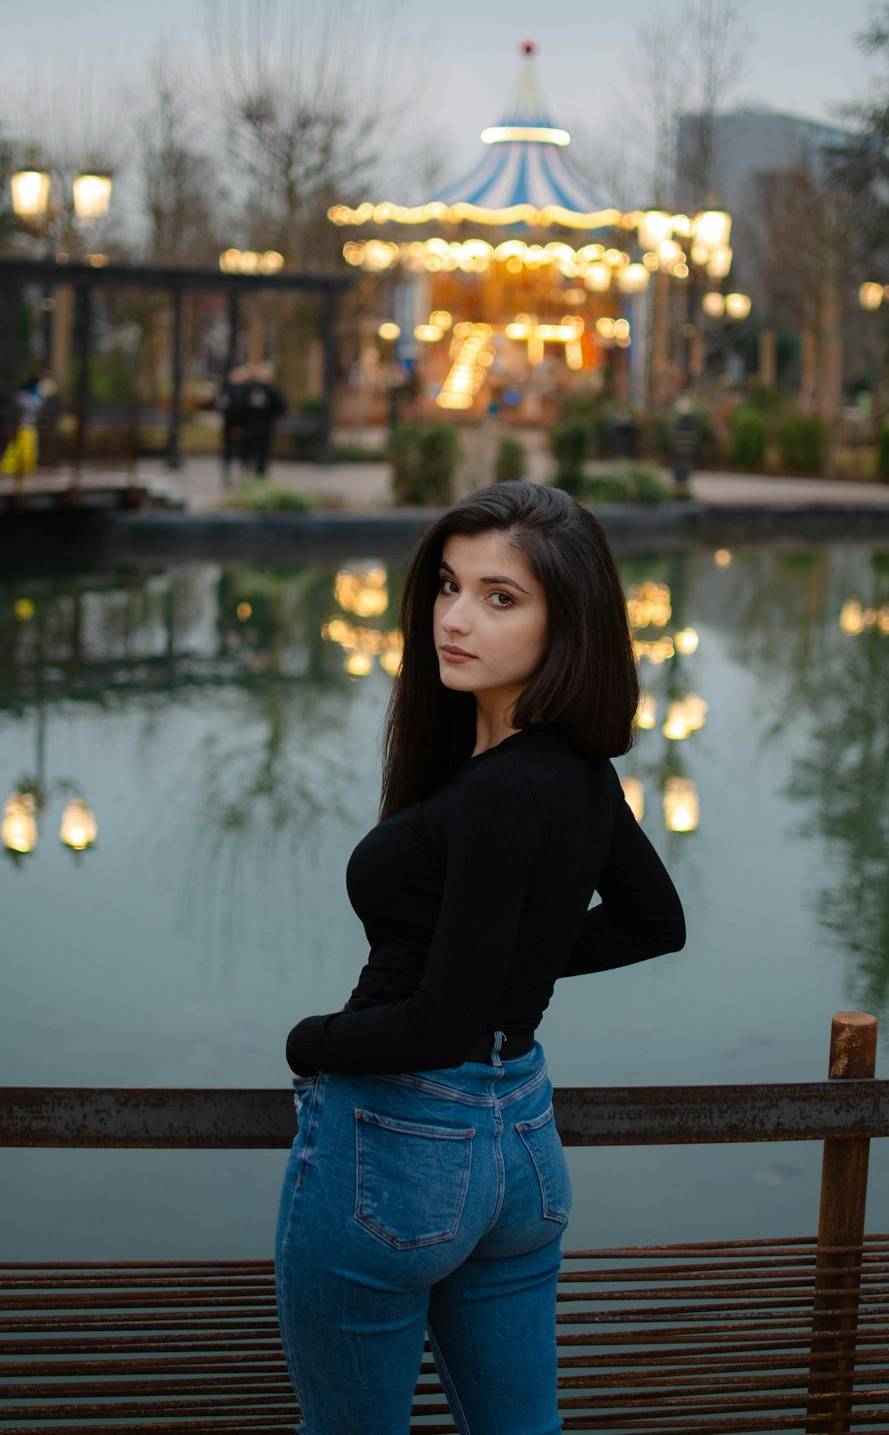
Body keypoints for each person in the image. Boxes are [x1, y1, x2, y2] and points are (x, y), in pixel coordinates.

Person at [275, 481, 685, 1434]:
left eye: (502, 598)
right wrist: (517, 967)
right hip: (522, 1151)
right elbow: (651, 922)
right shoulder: (578, 770)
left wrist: (309, 1040)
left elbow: (442, 1021)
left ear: (568, 622)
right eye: (450, 586)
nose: (455, 620)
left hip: (403, 1146)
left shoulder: (504, 790)